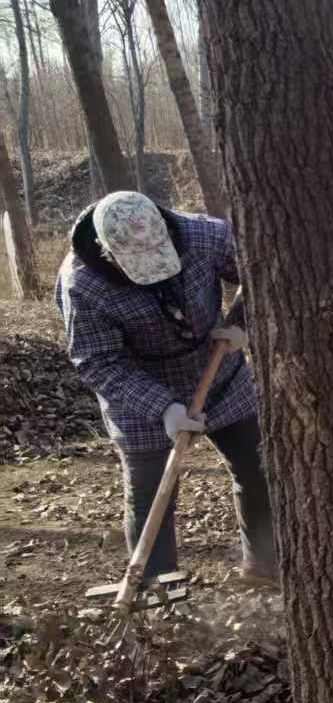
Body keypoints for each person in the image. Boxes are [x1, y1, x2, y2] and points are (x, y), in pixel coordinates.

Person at [56, 191, 277, 582]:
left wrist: (245, 323)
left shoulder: (204, 237)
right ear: (110, 255)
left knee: (256, 467)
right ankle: (157, 589)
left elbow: (261, 273)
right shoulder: (82, 285)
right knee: (149, 494)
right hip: (139, 394)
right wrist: (164, 408)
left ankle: (265, 565)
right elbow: (99, 362)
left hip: (218, 373)